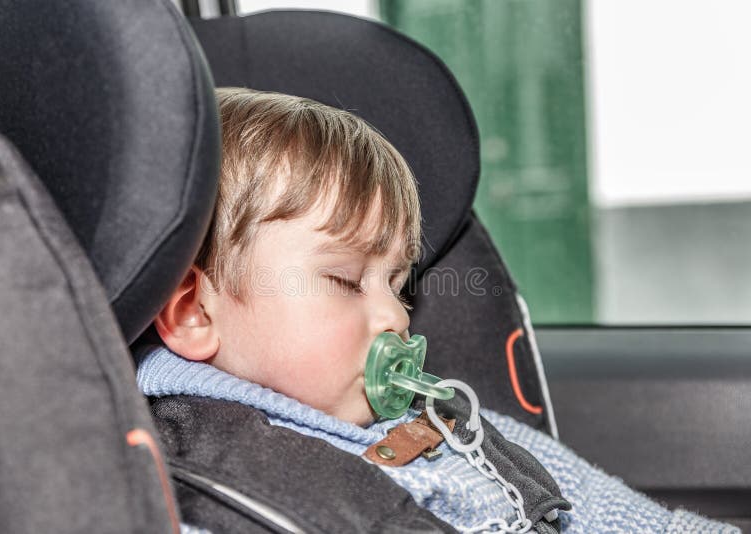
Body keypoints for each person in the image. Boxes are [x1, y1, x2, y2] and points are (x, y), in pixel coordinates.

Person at [135, 87, 738, 533]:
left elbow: (639, 523)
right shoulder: (192, 493)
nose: (396, 318)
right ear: (194, 312)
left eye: (398, 285)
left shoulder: (453, 425)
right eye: (345, 280)